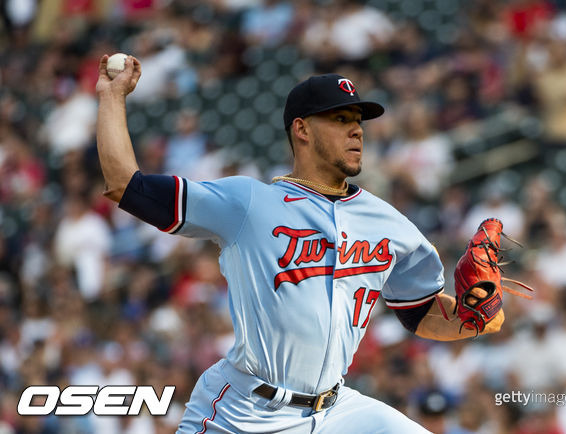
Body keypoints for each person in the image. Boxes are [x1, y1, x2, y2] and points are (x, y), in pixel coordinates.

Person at [95, 55, 504, 433]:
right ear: (302, 128)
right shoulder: (249, 203)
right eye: (341, 118)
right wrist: (112, 96)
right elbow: (126, 186)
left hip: (335, 412)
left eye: (358, 119)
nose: (357, 128)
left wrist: (477, 316)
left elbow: (423, 314)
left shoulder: (389, 223)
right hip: (243, 411)